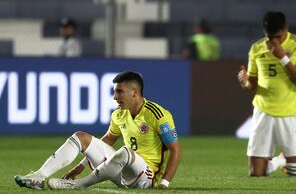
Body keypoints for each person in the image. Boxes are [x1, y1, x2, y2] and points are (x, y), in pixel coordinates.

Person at [14, 71, 182, 190]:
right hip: (121, 171)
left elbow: (176, 149)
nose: (115, 97)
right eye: (115, 91)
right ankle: (38, 176)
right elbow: (107, 140)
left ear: (135, 93)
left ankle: (78, 185)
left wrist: (164, 182)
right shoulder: (119, 114)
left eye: (119, 91)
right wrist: (80, 166)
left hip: (147, 177)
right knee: (81, 137)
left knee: (125, 152)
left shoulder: (157, 114)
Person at [237, 11, 296, 178]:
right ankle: (280, 160)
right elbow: (252, 86)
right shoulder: (257, 48)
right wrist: (245, 82)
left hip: (289, 112)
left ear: (286, 28)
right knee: (256, 173)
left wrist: (283, 59)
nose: (274, 41)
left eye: (278, 36)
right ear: (265, 33)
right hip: (263, 111)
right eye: (270, 37)